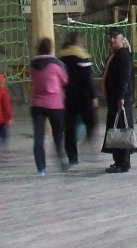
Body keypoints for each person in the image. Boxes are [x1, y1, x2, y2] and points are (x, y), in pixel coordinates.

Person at [29, 37, 69, 175]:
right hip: (55, 103)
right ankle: (60, 161)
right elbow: (64, 80)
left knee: (38, 137)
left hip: (37, 104)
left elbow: (32, 78)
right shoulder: (57, 63)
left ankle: (41, 167)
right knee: (58, 135)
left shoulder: (32, 64)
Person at [58, 32, 98, 165]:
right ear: (78, 41)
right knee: (91, 121)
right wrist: (93, 96)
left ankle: (72, 156)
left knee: (69, 127)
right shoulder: (82, 56)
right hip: (83, 96)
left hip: (67, 96)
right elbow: (87, 79)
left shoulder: (60, 57)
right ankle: (88, 140)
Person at [101, 27, 135, 173]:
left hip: (121, 98)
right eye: (110, 37)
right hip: (114, 98)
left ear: (122, 39)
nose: (112, 39)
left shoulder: (124, 55)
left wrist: (121, 96)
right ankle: (118, 160)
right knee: (116, 129)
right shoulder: (114, 55)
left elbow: (124, 78)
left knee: (122, 129)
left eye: (115, 37)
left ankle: (124, 162)